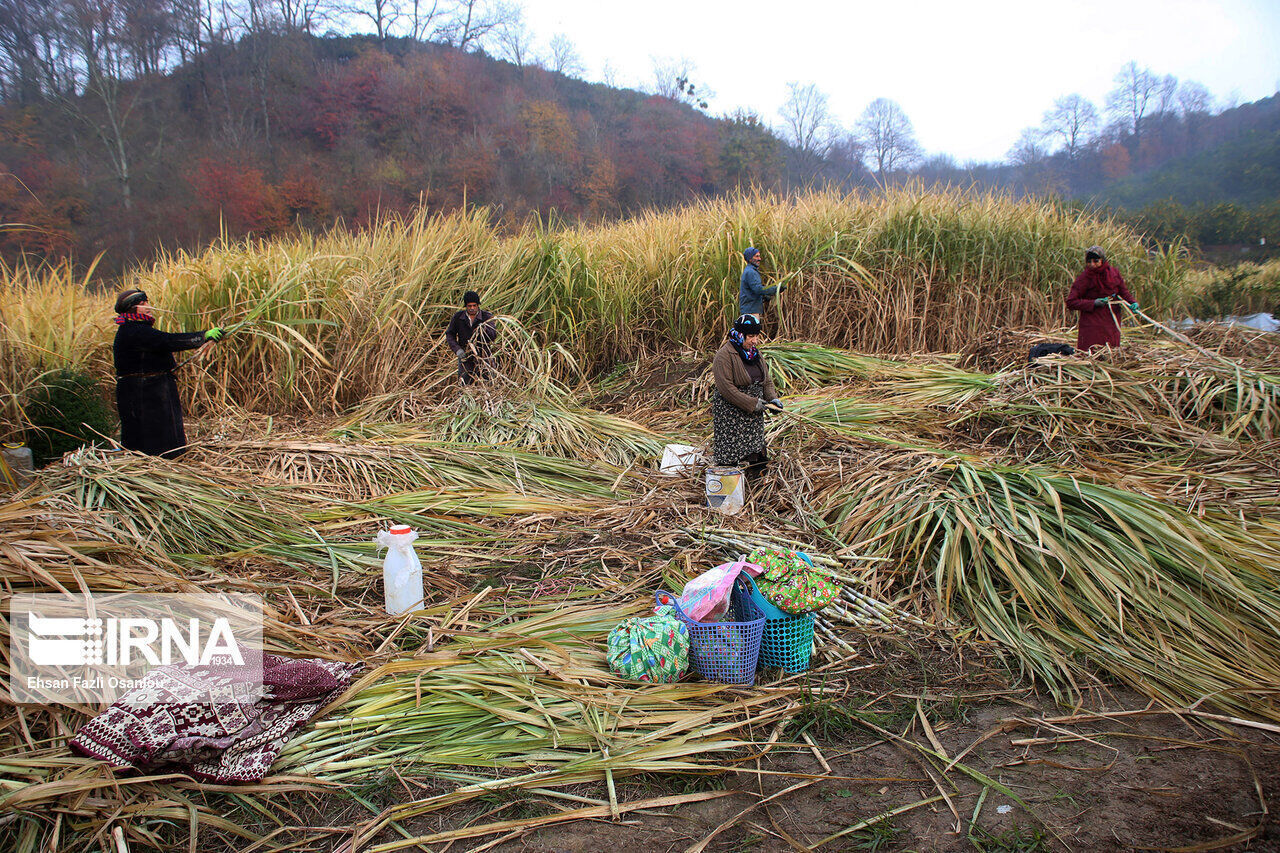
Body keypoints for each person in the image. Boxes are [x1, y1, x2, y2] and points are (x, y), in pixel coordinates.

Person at [112, 289, 223, 459]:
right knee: (152, 436)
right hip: (144, 392)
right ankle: (159, 465)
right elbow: (168, 341)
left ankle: (162, 462)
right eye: (143, 304)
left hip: (150, 388)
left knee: (154, 433)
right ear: (132, 309)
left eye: (147, 303)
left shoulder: (134, 328)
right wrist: (203, 336)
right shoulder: (134, 330)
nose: (148, 307)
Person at [711, 314, 783, 481]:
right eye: (751, 336)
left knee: (757, 453)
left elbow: (766, 381)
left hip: (753, 414)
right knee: (730, 455)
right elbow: (726, 389)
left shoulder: (755, 354)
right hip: (731, 415)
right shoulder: (724, 356)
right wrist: (752, 403)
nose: (755, 340)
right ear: (740, 334)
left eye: (757, 336)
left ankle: (756, 485)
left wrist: (773, 399)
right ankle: (729, 487)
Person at [1065, 246, 1138, 352]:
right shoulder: (1084, 278)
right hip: (1092, 323)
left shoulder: (1114, 274)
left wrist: (1133, 302)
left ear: (1102, 260)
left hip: (1111, 321)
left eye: (1096, 261)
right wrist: (1094, 303)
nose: (1092, 264)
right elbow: (1071, 302)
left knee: (1111, 352)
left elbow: (1123, 292)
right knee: (1092, 353)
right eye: (1089, 261)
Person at [444, 290, 498, 386]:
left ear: (478, 305)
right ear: (466, 306)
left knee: (489, 383)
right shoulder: (458, 317)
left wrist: (483, 329)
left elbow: (493, 335)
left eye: (474, 305)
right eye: (469, 306)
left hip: (484, 356)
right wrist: (458, 350)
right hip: (465, 356)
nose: (472, 308)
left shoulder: (487, 317)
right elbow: (450, 334)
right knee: (464, 385)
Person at [738, 247, 780, 321]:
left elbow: (752, 291)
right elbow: (758, 289)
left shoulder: (750, 271)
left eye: (759, 256)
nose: (759, 259)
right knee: (751, 332)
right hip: (750, 311)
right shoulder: (751, 272)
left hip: (750, 309)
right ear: (750, 258)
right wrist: (776, 289)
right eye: (756, 256)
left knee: (751, 332)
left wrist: (764, 297)